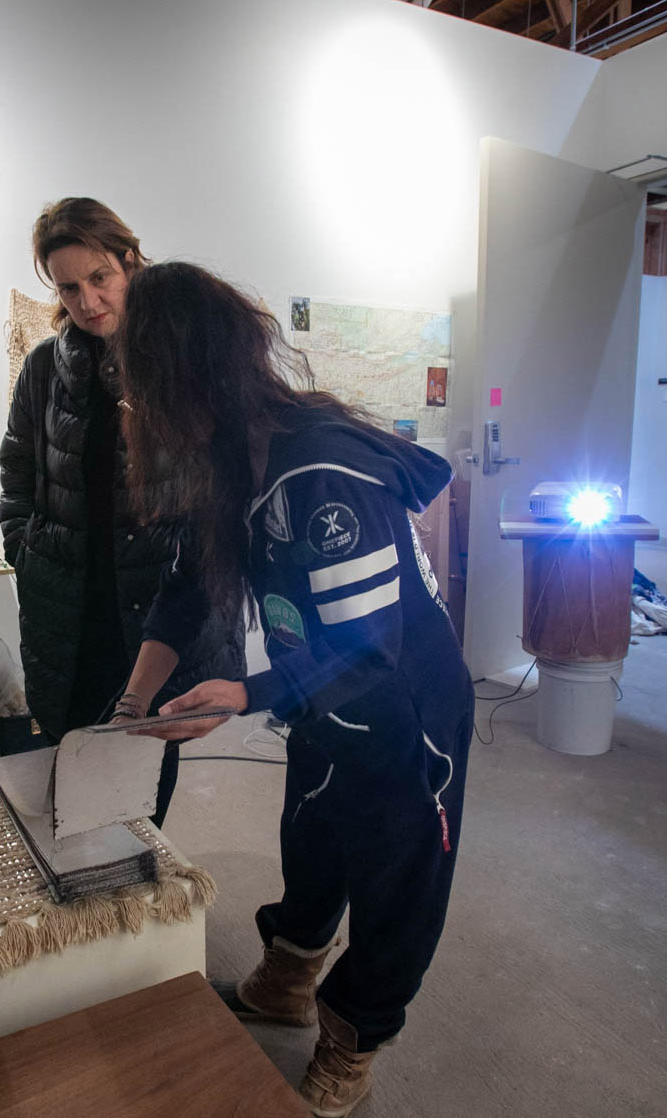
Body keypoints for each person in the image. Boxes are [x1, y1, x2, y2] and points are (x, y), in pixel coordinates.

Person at [116, 262, 473, 1117]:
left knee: (397, 877)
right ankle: (289, 976)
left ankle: (354, 1036)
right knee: (313, 834)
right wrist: (135, 699)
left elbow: (369, 650)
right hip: (319, 699)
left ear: (189, 375)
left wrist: (243, 694)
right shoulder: (234, 453)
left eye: (145, 385)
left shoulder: (320, 478)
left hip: (399, 711)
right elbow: (192, 586)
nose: (138, 410)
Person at [0, 199, 242, 827]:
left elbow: (215, 488)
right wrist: (23, 548)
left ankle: (135, 884)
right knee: (72, 748)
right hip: (71, 605)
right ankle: (87, 888)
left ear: (130, 263)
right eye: (69, 287)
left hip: (162, 599)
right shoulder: (43, 370)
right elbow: (17, 469)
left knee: (149, 756)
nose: (87, 301)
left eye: (99, 278)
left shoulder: (176, 367)